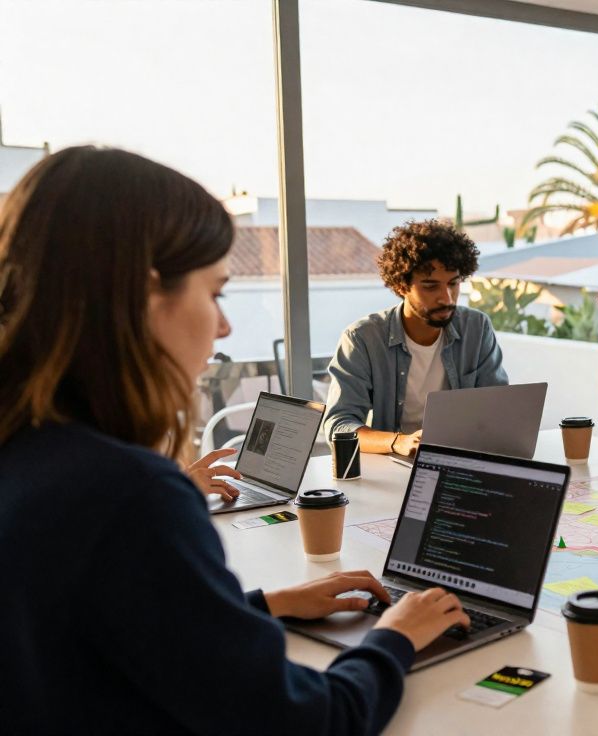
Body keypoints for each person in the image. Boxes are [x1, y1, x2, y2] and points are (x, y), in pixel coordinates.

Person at [0, 147, 469, 733]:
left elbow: (99, 626)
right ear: (143, 295)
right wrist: (394, 637)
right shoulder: (131, 497)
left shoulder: (28, 453)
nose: (222, 327)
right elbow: (315, 722)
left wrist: (258, 608)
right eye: (216, 292)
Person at [324, 218, 507, 456]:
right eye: (430, 286)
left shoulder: (476, 327)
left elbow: (497, 409)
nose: (447, 298)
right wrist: (398, 442)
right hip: (391, 463)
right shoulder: (362, 338)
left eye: (453, 284)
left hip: (457, 460)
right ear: (401, 286)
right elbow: (339, 426)